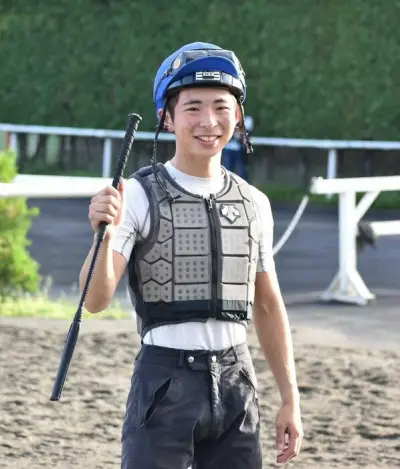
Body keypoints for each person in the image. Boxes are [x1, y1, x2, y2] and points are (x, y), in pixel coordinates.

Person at [80, 41, 303, 469]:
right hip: (164, 381)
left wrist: (290, 399)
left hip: (238, 381)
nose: (208, 121)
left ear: (238, 116)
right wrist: (102, 236)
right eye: (193, 107)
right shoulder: (136, 195)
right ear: (167, 116)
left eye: (221, 107)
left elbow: (268, 305)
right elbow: (95, 300)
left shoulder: (254, 202)